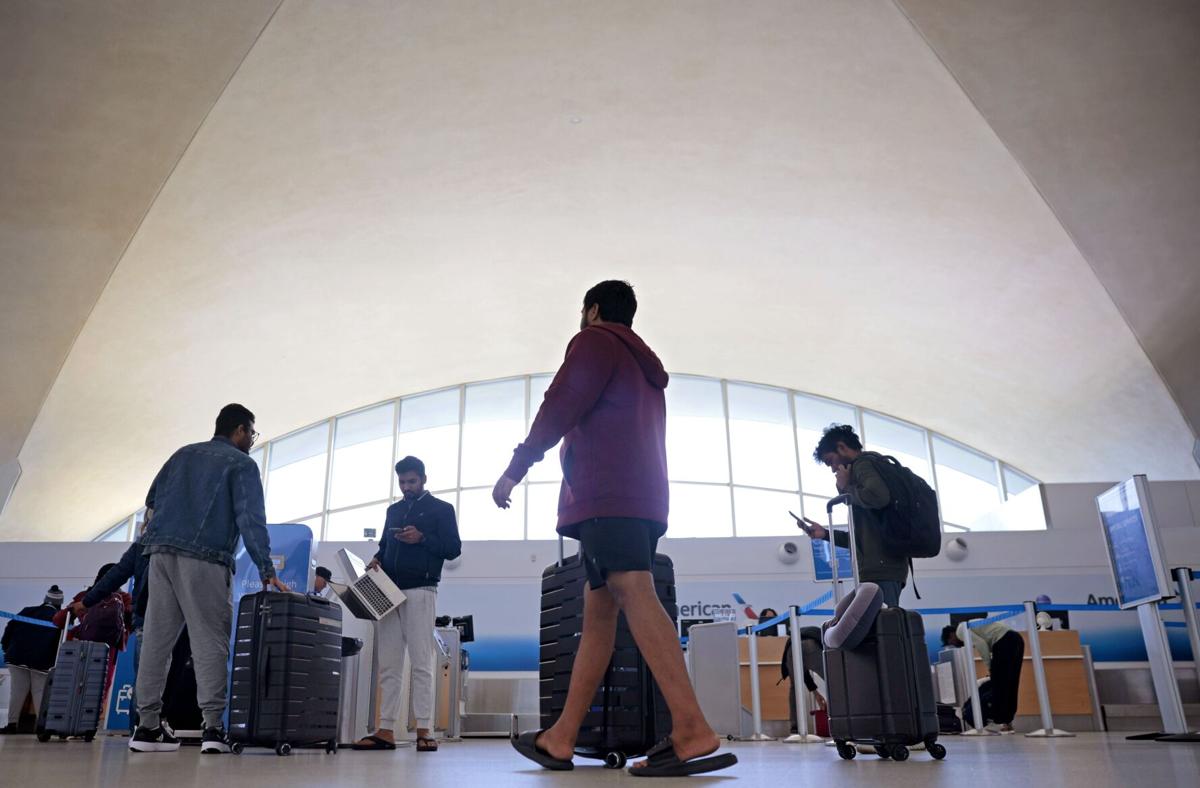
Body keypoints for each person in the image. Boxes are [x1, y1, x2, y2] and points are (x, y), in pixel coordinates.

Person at [495, 280, 736, 777]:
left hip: (607, 494)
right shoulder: (641, 365)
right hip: (642, 499)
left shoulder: (594, 341)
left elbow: (562, 403)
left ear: (594, 309)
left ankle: (691, 728)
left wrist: (517, 466)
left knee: (632, 590)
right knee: (599, 611)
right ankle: (561, 737)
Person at [129, 403, 288, 755]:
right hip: (205, 558)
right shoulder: (241, 464)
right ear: (241, 431)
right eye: (251, 434)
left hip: (160, 554)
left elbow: (151, 499)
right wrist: (266, 569)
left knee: (157, 642)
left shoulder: (182, 454)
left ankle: (147, 727)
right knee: (209, 642)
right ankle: (213, 729)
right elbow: (250, 518)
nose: (251, 441)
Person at [355, 455, 461, 753]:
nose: (406, 487)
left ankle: (425, 729)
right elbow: (386, 546)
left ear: (424, 479)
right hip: (388, 590)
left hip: (421, 589)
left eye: (411, 481)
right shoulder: (394, 510)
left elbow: (453, 548)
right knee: (388, 662)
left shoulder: (442, 510)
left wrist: (422, 538)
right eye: (402, 482)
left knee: (421, 662)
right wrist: (378, 558)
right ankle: (385, 729)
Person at [795, 424, 908, 607]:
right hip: (879, 567)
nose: (832, 469)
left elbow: (879, 496)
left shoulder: (864, 464)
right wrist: (824, 534)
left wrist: (845, 488)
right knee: (882, 628)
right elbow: (859, 541)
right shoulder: (865, 470)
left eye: (831, 460)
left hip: (882, 568)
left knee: (887, 628)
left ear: (841, 447)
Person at [72, 514, 153, 731]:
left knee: (145, 676)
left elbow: (116, 575)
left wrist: (87, 601)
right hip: (175, 619)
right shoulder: (182, 545)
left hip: (147, 617)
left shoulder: (142, 545)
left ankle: (141, 729)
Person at [943, 620, 1024, 733]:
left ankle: (997, 722)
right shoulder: (970, 626)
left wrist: (990, 667)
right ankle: (1007, 722)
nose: (955, 644)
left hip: (1003, 641)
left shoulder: (961, 630)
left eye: (950, 642)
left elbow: (981, 644)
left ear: (951, 635)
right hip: (1016, 639)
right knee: (1010, 684)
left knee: (999, 686)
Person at [1, 585, 63, 734]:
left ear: (45, 599)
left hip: (16, 656)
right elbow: (58, 642)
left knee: (17, 691)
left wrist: (6, 648)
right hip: (41, 660)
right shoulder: (58, 618)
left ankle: (12, 724)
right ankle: (41, 727)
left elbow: (9, 629)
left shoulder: (27, 611)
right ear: (59, 603)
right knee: (39, 692)